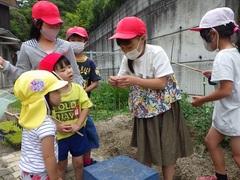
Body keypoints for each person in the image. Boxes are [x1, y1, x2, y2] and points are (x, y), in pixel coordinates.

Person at [108, 16, 193, 180]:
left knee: (167, 146)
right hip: (143, 110)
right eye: (122, 48)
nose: (126, 50)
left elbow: (161, 83)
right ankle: (147, 177)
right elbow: (123, 78)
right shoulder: (128, 58)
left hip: (164, 109)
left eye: (129, 45)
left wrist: (134, 81)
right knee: (145, 147)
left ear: (142, 38)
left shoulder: (157, 53)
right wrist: (116, 82)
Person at [190, 7, 240, 180]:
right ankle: (220, 177)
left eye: (204, 37)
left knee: (238, 156)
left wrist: (202, 100)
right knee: (211, 141)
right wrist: (215, 74)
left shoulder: (223, 56)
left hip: (235, 112)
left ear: (212, 33)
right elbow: (233, 78)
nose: (205, 42)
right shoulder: (234, 52)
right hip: (229, 110)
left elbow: (226, 90)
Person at [0, 1, 84, 86]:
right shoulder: (27, 47)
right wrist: (4, 65)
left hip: (65, 96)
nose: (55, 28)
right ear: (37, 23)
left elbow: (75, 74)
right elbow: (22, 76)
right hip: (39, 96)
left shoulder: (65, 46)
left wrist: (79, 94)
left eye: (57, 24)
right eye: (50, 24)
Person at [38, 53, 93, 180]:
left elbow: (86, 106)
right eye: (62, 70)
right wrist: (57, 127)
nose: (69, 71)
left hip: (78, 133)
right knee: (61, 165)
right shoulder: (48, 95)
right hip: (59, 137)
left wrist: (78, 125)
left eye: (69, 67)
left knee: (79, 163)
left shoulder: (78, 89)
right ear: (52, 75)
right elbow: (44, 115)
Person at [14, 70, 68, 180]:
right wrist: (55, 177)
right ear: (43, 97)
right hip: (41, 174)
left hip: (28, 171)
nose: (61, 94)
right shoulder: (46, 125)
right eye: (56, 91)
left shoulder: (30, 117)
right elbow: (48, 157)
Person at [66, 26, 101, 166]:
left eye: (79, 40)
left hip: (83, 105)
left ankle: (87, 161)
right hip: (67, 105)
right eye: (72, 39)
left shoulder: (89, 62)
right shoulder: (64, 61)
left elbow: (96, 82)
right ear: (67, 41)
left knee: (88, 132)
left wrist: (82, 92)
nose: (75, 42)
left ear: (85, 42)